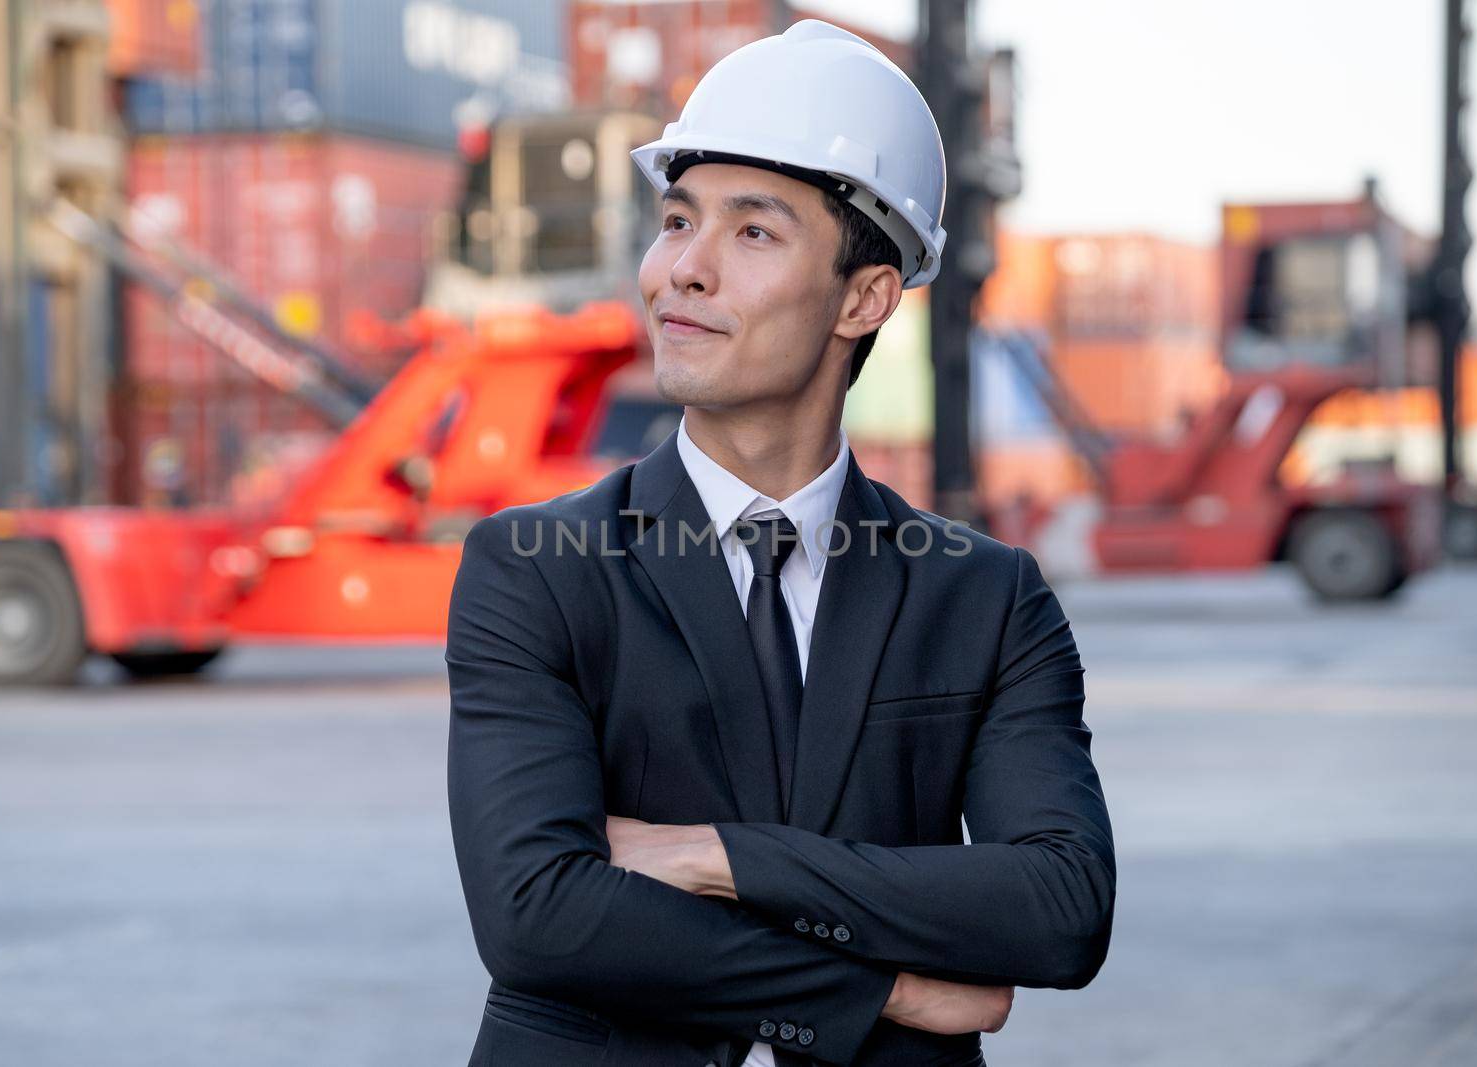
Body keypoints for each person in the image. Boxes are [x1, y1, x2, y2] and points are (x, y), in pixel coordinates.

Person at [446, 20, 1115, 1067]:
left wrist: (712, 856)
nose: (682, 272)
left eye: (751, 232)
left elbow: (1059, 905)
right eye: (676, 220)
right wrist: (881, 989)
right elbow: (536, 910)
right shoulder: (536, 566)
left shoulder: (982, 596)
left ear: (865, 295)